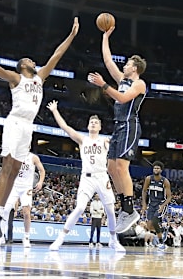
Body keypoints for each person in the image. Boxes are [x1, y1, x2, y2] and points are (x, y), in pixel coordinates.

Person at [0, 18, 78, 237]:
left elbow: (56, 55)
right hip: (15, 122)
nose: (33, 61)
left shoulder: (40, 78)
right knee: (7, 167)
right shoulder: (16, 78)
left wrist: (72, 35)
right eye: (28, 60)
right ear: (22, 66)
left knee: (16, 170)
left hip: (28, 127)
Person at [87, 26, 146, 233]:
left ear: (135, 68)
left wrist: (103, 85)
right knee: (111, 168)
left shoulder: (139, 84)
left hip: (130, 125)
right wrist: (105, 37)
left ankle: (130, 209)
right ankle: (125, 209)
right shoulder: (123, 80)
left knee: (121, 167)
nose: (124, 65)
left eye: (128, 63)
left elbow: (121, 98)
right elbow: (108, 60)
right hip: (118, 125)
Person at [46, 100, 125, 252]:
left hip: (102, 176)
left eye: (96, 122)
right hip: (87, 178)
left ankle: (114, 240)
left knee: (110, 211)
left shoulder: (105, 141)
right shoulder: (83, 139)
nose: (93, 124)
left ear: (100, 126)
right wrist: (55, 110)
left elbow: (117, 147)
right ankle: (60, 239)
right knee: (80, 207)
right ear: (88, 126)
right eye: (91, 122)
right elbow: (65, 127)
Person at [0, 153, 45, 248]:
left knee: (26, 212)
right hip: (14, 186)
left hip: (26, 188)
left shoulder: (33, 157)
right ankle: (1, 236)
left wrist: (40, 182)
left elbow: (42, 170)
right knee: (5, 210)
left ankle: (26, 237)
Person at [141, 161, 172, 249]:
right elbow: (144, 191)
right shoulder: (148, 179)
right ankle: (163, 230)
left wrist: (162, 206)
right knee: (149, 226)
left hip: (161, 204)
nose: (156, 169)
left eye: (158, 168)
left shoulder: (165, 181)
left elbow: (169, 197)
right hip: (151, 204)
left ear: (161, 170)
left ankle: (161, 242)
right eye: (154, 168)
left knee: (155, 221)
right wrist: (144, 204)